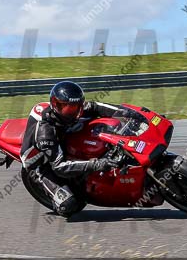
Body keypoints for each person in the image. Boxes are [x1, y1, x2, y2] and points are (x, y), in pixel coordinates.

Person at [19, 80, 137, 217]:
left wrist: (128, 114)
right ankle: (60, 200)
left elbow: (95, 106)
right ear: (55, 105)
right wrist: (97, 164)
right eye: (65, 108)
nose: (70, 112)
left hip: (62, 141)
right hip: (41, 165)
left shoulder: (77, 110)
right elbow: (60, 167)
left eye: (75, 107)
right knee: (71, 205)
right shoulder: (46, 132)